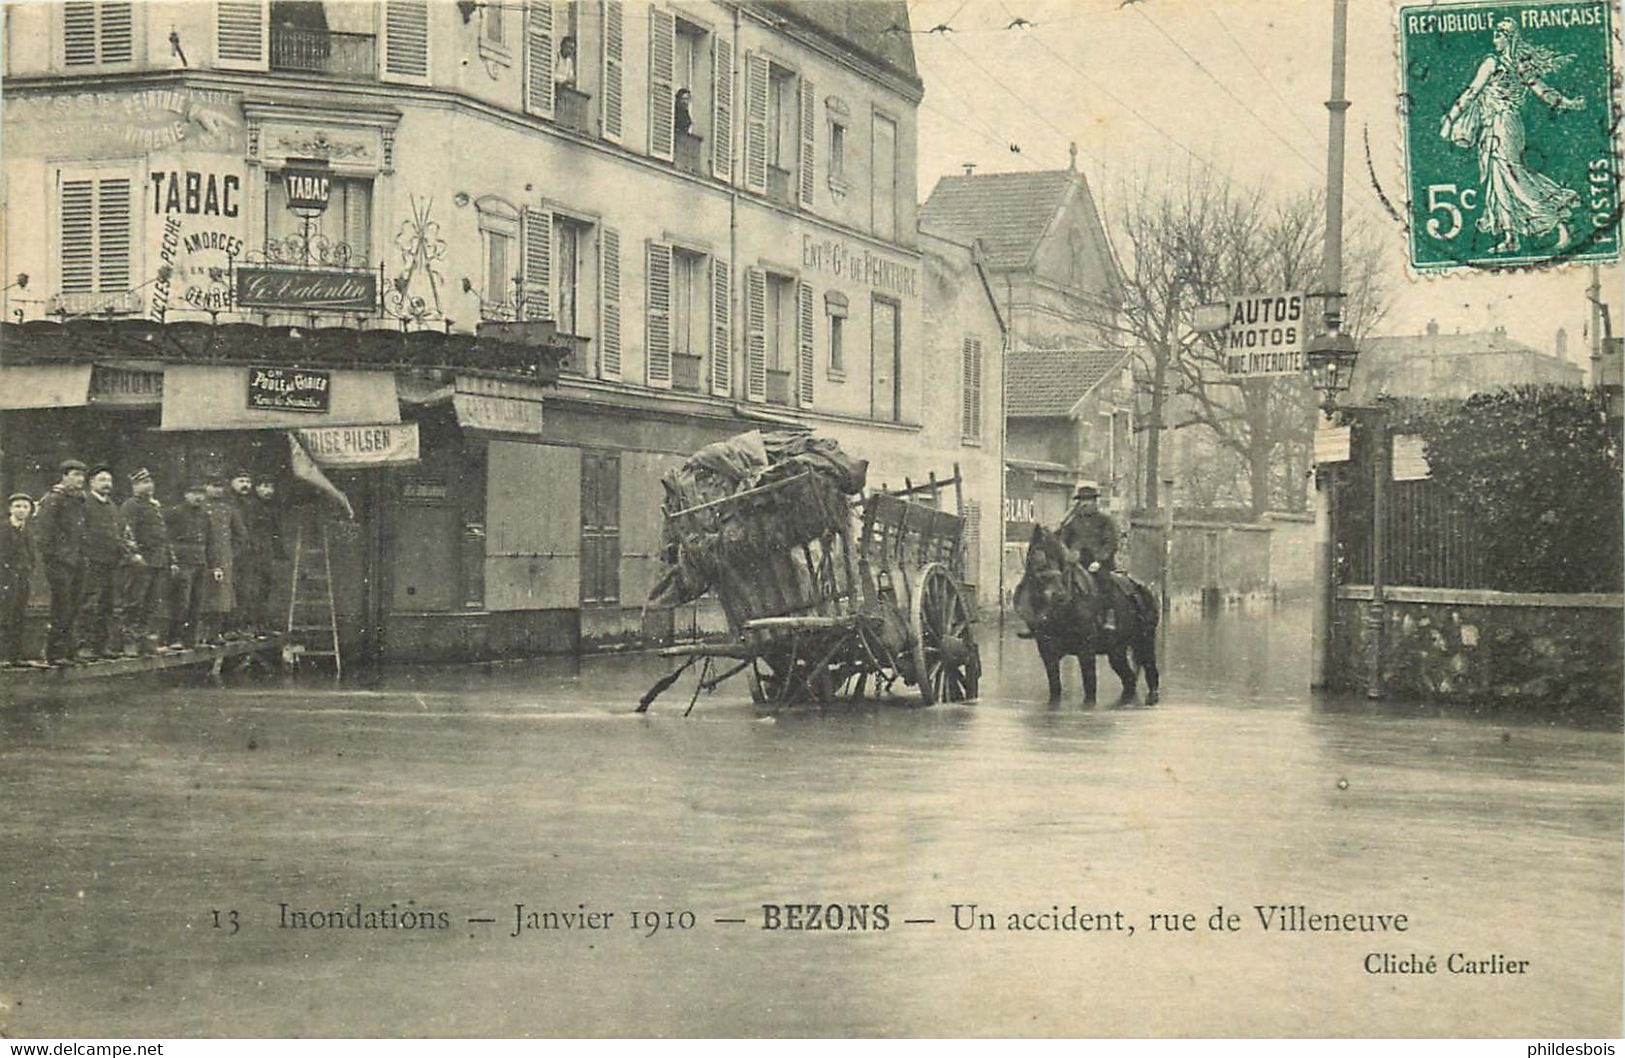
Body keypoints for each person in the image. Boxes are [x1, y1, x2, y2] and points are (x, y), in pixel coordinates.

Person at [1440, 19, 1585, 254]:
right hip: (1504, 125)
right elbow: (1543, 92)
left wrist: (1450, 118)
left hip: (1500, 125)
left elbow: (1471, 92)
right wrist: (1567, 103)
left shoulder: (1492, 63)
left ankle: (1558, 224)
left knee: (1512, 176)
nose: (1495, 41)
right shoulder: (1521, 65)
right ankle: (1510, 237)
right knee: (1500, 180)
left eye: (1498, 36)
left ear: (1508, 38)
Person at [77, 464, 138, 659]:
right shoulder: (84, 503)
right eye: (102, 480)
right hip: (92, 561)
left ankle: (101, 646)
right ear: (91, 482)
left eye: (109, 481)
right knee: (90, 603)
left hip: (111, 562)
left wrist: (126, 553)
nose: (107, 484)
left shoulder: (111, 506)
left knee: (108, 604)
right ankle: (84, 647)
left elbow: (117, 534)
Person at [33, 459, 89, 665]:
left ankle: (70, 651)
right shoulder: (54, 499)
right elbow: (44, 533)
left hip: (78, 560)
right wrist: (55, 557)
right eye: (74, 475)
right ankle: (56, 653)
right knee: (62, 605)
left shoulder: (80, 500)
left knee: (74, 605)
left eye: (82, 476)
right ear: (64, 476)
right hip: (60, 562)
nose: (79, 480)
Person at [120, 468, 174, 656]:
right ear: (134, 486)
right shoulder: (131, 505)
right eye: (143, 482)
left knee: (152, 602)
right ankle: (129, 642)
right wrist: (134, 555)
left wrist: (169, 559)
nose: (148, 486)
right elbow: (127, 533)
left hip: (157, 561)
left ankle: (145, 641)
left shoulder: (154, 506)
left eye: (150, 482)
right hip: (140, 562)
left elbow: (163, 536)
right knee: (134, 601)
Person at [1058, 480, 1121, 631]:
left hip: (1098, 563)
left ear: (1095, 502)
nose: (1085, 504)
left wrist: (1100, 560)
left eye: (1089, 500)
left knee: (1105, 581)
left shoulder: (1104, 521)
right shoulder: (1072, 522)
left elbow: (1110, 543)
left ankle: (1109, 616)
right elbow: (1063, 541)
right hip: (1076, 563)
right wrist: (1068, 554)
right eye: (1082, 501)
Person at [166, 483, 217, 649]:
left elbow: (210, 541)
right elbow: (166, 539)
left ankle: (191, 639)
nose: (198, 497)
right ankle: (174, 638)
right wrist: (172, 561)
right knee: (181, 601)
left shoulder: (205, 516)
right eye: (194, 492)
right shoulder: (175, 513)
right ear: (186, 494)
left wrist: (214, 565)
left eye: (201, 493)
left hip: (200, 562)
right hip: (182, 562)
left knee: (197, 602)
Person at [241, 477, 286, 637]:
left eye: (271, 487)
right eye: (264, 486)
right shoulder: (249, 506)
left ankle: (261, 624)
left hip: (266, 553)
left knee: (265, 589)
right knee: (251, 589)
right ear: (256, 487)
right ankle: (249, 625)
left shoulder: (271, 508)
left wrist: (279, 554)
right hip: (252, 553)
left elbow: (275, 533)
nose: (268, 491)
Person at [202, 479, 245, 644]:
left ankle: (215, 633)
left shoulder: (228, 509)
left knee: (220, 596)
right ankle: (199, 633)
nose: (217, 490)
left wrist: (230, 554)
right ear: (206, 487)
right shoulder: (200, 508)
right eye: (213, 486)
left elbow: (240, 535)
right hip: (201, 556)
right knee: (200, 594)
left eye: (220, 486)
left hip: (222, 558)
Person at [1, 493, 37, 668]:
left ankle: (15, 656)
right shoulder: (4, 529)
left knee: (19, 615)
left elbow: (32, 556)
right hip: (6, 578)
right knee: (5, 615)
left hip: (23, 576)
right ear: (10, 509)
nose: (21, 510)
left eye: (25, 507)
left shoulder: (28, 531)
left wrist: (29, 569)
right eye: (17, 506)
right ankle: (3, 656)